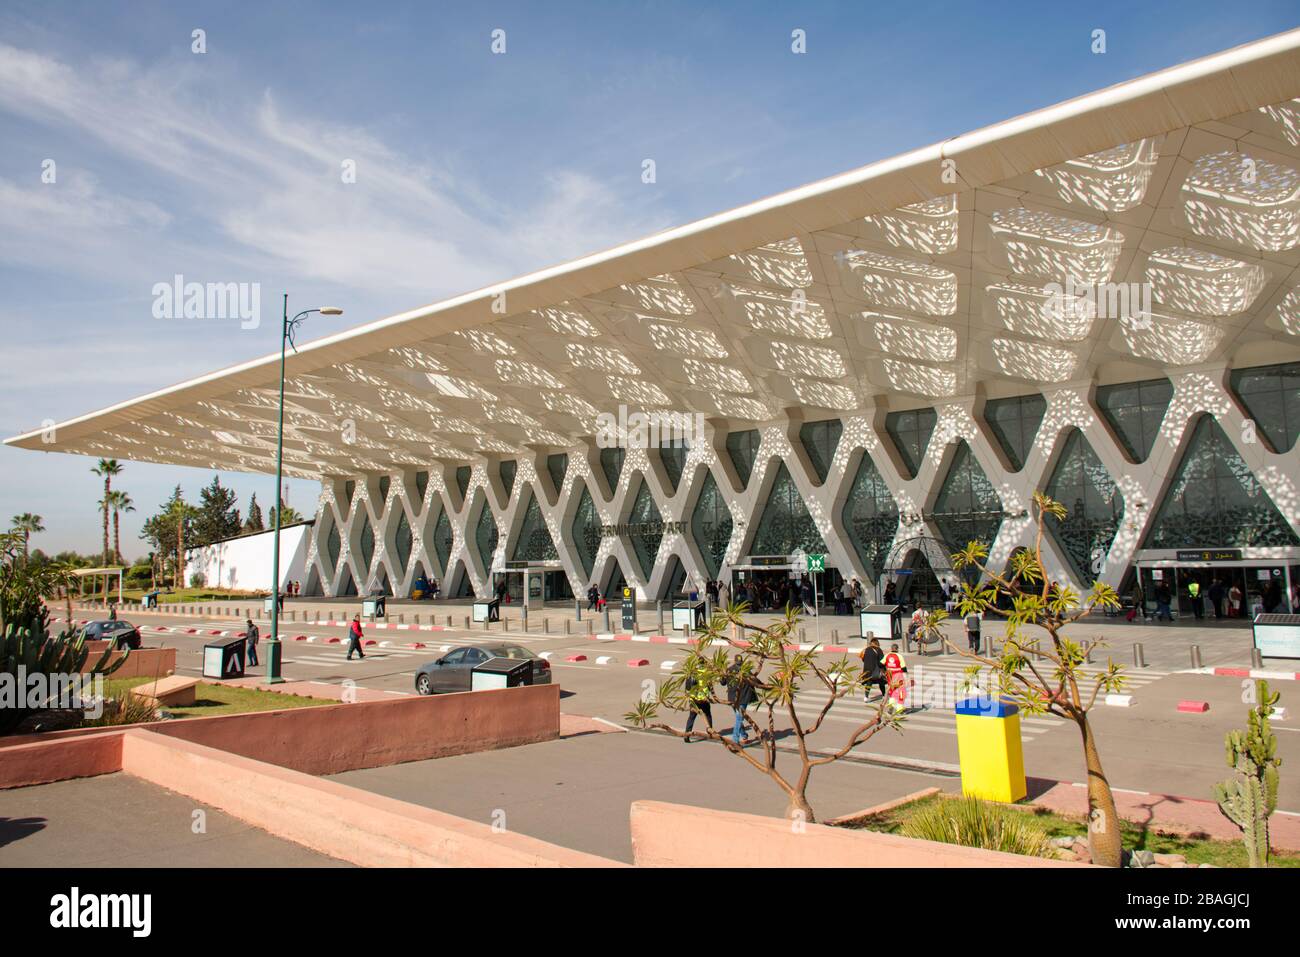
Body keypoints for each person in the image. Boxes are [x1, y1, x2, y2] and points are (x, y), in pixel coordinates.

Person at [725, 654, 759, 745]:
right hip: (742, 699)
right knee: (739, 719)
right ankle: (735, 740)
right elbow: (754, 680)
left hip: (733, 699)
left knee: (738, 717)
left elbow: (723, 682)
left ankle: (744, 736)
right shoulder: (746, 670)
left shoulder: (729, 669)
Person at [683, 667, 713, 743]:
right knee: (708, 715)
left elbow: (687, 688)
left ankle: (687, 735)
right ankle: (710, 732)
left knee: (691, 717)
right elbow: (710, 687)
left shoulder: (690, 675)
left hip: (694, 700)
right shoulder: (706, 675)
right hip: (703, 700)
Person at [860, 635, 886, 702]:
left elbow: (863, 659)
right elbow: (881, 661)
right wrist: (884, 669)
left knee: (869, 682)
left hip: (867, 670)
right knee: (881, 682)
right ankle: (884, 695)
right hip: (875, 670)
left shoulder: (866, 649)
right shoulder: (878, 650)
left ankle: (866, 697)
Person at [883, 643, 909, 711]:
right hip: (898, 674)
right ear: (897, 649)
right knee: (901, 690)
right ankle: (899, 707)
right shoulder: (899, 656)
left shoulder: (887, 655)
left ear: (891, 649)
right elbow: (903, 667)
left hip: (890, 674)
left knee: (892, 689)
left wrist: (885, 669)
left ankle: (891, 704)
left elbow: (881, 663)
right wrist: (906, 675)